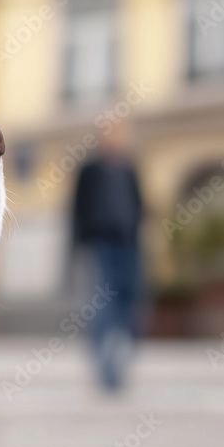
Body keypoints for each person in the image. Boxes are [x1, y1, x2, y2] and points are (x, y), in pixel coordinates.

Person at [70, 121, 145, 393]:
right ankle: (105, 371)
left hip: (128, 245)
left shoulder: (129, 168)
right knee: (102, 306)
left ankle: (121, 364)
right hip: (98, 245)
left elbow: (139, 205)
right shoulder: (90, 170)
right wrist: (77, 248)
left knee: (130, 306)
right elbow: (77, 209)